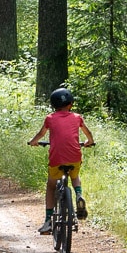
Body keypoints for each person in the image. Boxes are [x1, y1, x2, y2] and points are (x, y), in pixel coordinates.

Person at [28, 86, 94, 234]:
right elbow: (87, 133)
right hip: (74, 157)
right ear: (71, 104)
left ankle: (48, 221)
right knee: (75, 176)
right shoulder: (77, 117)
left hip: (57, 159)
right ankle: (78, 195)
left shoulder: (50, 118)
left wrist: (33, 141)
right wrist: (89, 141)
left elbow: (41, 134)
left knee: (51, 186)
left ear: (53, 105)